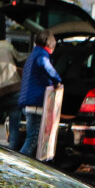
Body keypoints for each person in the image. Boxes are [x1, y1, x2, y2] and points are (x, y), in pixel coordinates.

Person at [20, 28, 63, 159]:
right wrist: (57, 81)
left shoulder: (33, 55)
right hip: (36, 103)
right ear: (50, 45)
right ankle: (19, 164)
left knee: (31, 137)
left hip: (28, 102)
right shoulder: (41, 56)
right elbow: (45, 66)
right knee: (33, 139)